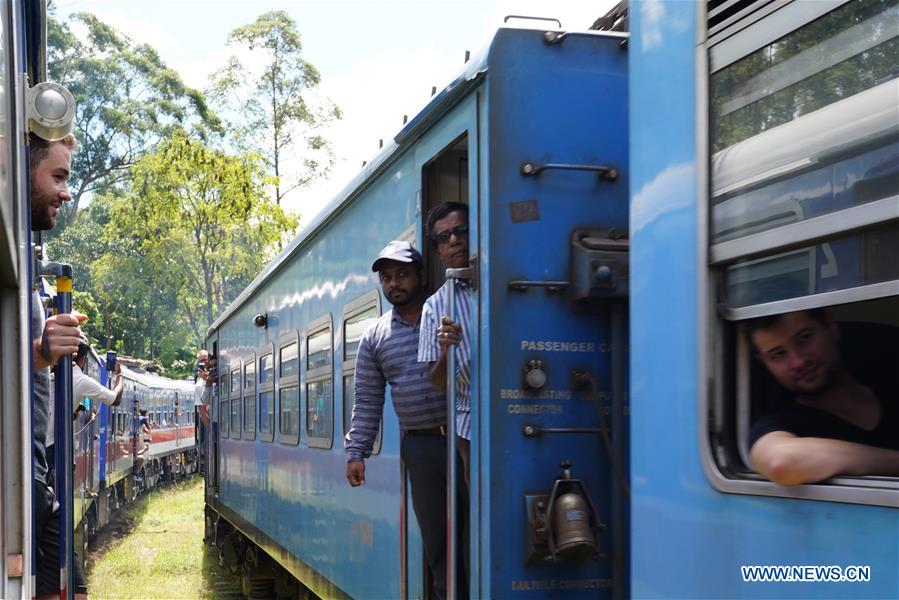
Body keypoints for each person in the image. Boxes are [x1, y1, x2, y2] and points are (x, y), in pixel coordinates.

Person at [345, 240, 467, 600]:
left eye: (402, 275)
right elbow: (367, 399)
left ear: (421, 276)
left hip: (466, 436)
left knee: (475, 528)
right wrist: (357, 452)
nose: (394, 283)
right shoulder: (375, 336)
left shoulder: (449, 313)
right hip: (421, 446)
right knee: (437, 538)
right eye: (387, 278)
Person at [28, 132, 89, 599]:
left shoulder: (25, 277)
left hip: (34, 479)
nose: (66, 192)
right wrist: (41, 353)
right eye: (59, 177)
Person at [747, 309, 899, 485]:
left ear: (830, 327)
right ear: (765, 364)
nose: (798, 362)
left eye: (804, 338)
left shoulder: (891, 389)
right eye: (778, 354)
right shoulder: (781, 424)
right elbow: (782, 462)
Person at [417, 202, 473, 482]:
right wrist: (445, 352)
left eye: (461, 230)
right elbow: (438, 384)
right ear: (438, 251)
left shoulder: (507, 286)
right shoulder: (435, 307)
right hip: (470, 425)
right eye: (444, 237)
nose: (454, 240)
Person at [73, 336, 124, 409]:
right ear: (83, 359)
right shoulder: (81, 380)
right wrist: (119, 374)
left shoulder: (54, 371)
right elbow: (116, 399)